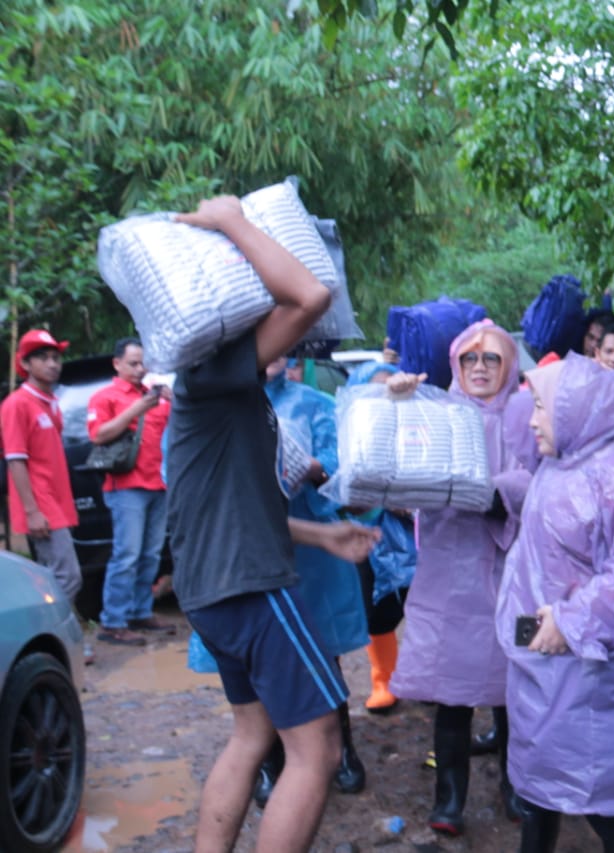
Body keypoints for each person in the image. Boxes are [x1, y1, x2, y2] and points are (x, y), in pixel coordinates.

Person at [165, 195, 378, 853]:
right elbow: (310, 294)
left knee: (253, 735)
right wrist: (232, 220)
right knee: (315, 746)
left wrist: (322, 535)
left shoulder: (221, 391)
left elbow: (237, 512)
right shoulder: (215, 370)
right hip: (249, 590)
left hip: (213, 589)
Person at [497, 353, 614, 853]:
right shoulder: (559, 463)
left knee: (607, 799)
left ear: (575, 409)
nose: (533, 419)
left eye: (542, 407)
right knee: (536, 785)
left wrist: (575, 620)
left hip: (594, 666)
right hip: (540, 652)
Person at [389, 320, 533, 836]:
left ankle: (518, 785)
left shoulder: (524, 415)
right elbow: (401, 465)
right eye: (470, 359)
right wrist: (399, 405)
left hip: (509, 571)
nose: (479, 368)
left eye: (491, 360)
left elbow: (531, 476)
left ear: (508, 366)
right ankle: (449, 798)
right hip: (447, 573)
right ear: (455, 364)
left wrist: (488, 492)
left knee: (513, 687)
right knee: (451, 693)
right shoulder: (436, 412)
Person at [251, 355, 371, 804]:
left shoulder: (316, 403)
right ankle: (268, 759)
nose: (275, 355)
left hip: (315, 547)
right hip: (251, 545)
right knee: (261, 654)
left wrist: (312, 468)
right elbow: (177, 471)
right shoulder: (218, 405)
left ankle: (341, 750)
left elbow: (343, 470)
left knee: (323, 648)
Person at [3, 329, 87, 656]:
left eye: (56, 357)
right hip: (42, 507)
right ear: (24, 363)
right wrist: (32, 509)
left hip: (58, 504)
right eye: (43, 357)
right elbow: (14, 459)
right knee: (67, 578)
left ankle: (54, 642)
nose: (53, 364)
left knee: (54, 577)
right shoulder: (17, 404)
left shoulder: (50, 402)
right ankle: (50, 642)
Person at [86, 337, 173, 646]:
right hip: (126, 487)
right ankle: (112, 621)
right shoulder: (105, 397)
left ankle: (139, 612)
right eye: (133, 363)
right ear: (117, 364)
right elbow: (98, 435)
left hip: (159, 484)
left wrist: (172, 400)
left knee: (150, 554)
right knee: (127, 555)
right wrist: (136, 410)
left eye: (143, 364)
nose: (139, 369)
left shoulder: (157, 396)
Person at [344, 361, 414, 715]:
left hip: (417, 538)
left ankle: (423, 676)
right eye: (376, 387)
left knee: (424, 609)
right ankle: (382, 678)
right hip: (368, 537)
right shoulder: (352, 432)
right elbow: (345, 493)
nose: (387, 393)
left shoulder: (418, 427)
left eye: (391, 385)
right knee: (376, 615)